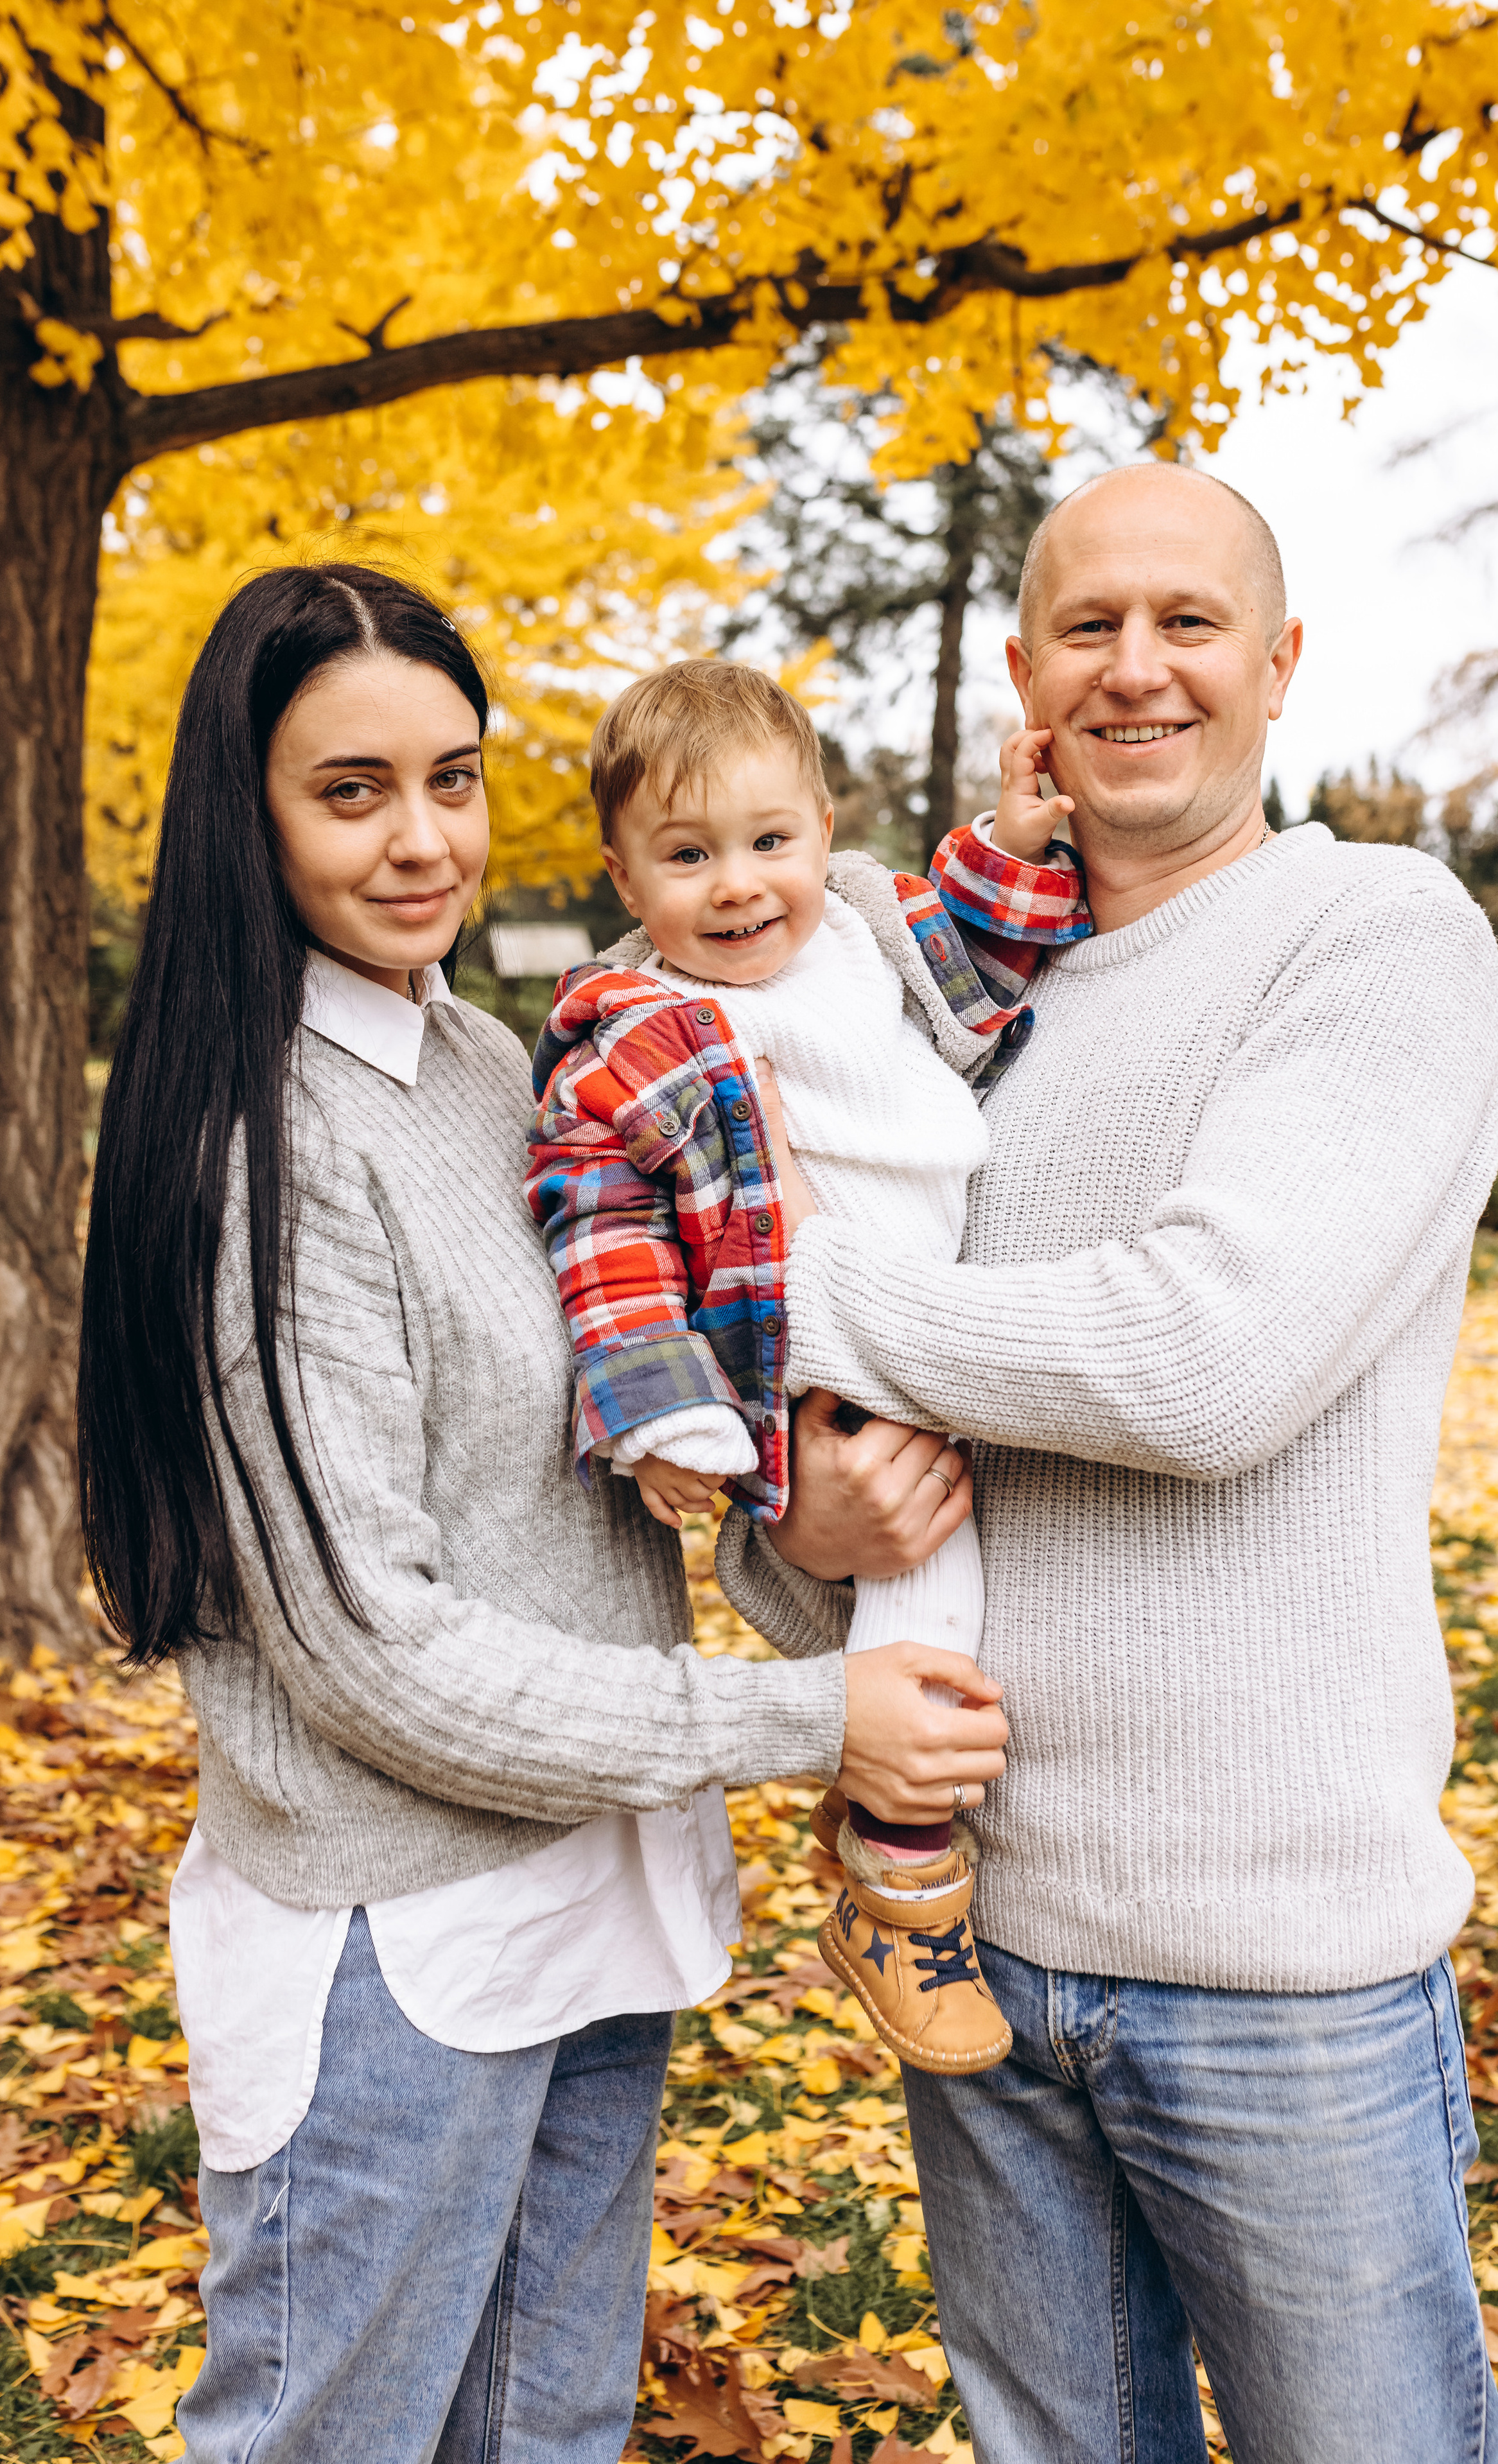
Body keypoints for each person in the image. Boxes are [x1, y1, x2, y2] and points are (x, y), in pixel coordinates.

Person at [75, 563, 1007, 2464]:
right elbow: (379, 1657)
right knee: (335, 2434)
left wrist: (796, 1537)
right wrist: (812, 1715)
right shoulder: (266, 1139)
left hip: (589, 1884)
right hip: (397, 1945)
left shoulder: (501, 1060)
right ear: (245, 810)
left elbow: (614, 1438)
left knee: (547, 2426)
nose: (423, 839)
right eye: (352, 789)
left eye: (455, 775)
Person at [717, 466, 1498, 2463]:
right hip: (975, 1933)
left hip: (1278, 1967)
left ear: (1280, 664)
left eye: (1188, 622)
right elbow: (851, 1504)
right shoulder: (959, 1012)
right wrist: (796, 1527)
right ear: (1026, 673)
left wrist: (804, 1301)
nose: (1137, 668)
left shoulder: (1374, 932)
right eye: (1089, 628)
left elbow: (1201, 1358)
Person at [525, 661, 1090, 2074]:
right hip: (814, 1344)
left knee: (962, 1581)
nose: (735, 886)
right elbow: (603, 1234)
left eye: (769, 841)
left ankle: (885, 1827)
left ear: (824, 828)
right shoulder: (639, 1033)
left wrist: (1012, 843)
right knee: (930, 1586)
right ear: (622, 871)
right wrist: (665, 1417)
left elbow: (976, 964)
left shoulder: (865, 932)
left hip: (931, 1312)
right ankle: (900, 1880)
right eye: (686, 854)